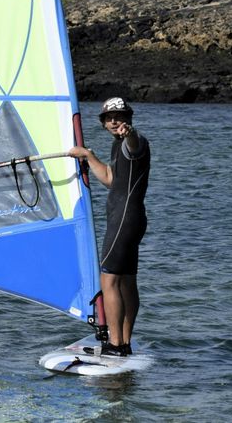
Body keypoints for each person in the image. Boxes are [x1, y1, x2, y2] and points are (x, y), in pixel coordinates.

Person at [68, 97, 150, 357]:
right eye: (110, 118)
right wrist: (89, 156)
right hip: (131, 219)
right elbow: (111, 179)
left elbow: (134, 144)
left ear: (129, 119)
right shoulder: (118, 146)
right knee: (126, 282)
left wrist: (131, 134)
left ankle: (115, 344)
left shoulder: (132, 141)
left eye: (120, 116)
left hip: (124, 220)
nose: (115, 121)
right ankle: (124, 342)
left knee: (109, 280)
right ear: (103, 123)